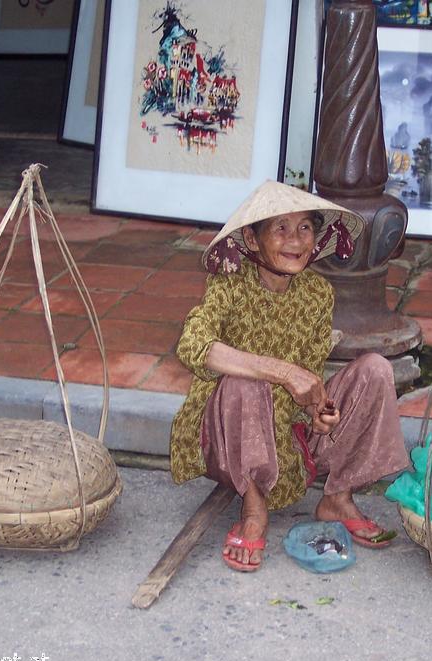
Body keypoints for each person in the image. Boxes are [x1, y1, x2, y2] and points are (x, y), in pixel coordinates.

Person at [169, 180, 410, 572]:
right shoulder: (229, 285)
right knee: (246, 381)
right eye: (280, 228)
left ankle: (338, 497)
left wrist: (320, 412)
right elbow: (192, 344)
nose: (294, 240)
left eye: (304, 228)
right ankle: (253, 508)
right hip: (228, 432)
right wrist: (281, 371)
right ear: (252, 237)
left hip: (289, 432)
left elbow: (310, 376)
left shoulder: (317, 293)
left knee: (375, 369)